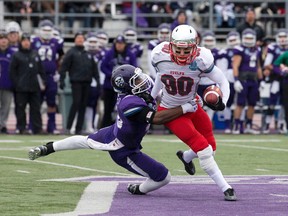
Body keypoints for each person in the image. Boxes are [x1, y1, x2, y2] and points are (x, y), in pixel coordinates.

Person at [28, 64, 198, 195]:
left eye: (139, 78)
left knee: (83, 140)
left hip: (113, 131)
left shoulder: (136, 94)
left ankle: (48, 148)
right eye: (136, 81)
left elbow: (159, 95)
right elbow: (157, 119)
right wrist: (185, 107)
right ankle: (138, 189)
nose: (142, 81)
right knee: (163, 177)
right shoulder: (129, 103)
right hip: (123, 150)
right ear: (126, 86)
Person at [150, 24, 236, 201]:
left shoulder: (202, 58)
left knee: (211, 148)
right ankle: (226, 188)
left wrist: (223, 103)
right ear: (171, 45)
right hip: (171, 110)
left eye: (186, 50)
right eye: (178, 50)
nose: (182, 54)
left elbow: (223, 81)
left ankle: (186, 157)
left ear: (195, 46)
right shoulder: (159, 54)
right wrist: (151, 98)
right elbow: (160, 76)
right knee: (204, 150)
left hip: (193, 104)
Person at [59, 32, 100, 135]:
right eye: (78, 38)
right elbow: (64, 67)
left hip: (87, 82)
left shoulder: (88, 54)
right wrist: (62, 80)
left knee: (83, 105)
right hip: (76, 82)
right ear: (75, 40)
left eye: (82, 38)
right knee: (76, 103)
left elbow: (94, 70)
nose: (80, 40)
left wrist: (98, 81)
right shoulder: (71, 52)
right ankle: (68, 127)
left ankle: (78, 128)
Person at [31, 19, 65, 134]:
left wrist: (56, 70)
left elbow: (61, 57)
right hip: (37, 76)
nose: (46, 32)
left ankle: (52, 126)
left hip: (51, 76)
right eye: (44, 30)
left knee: (51, 102)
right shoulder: (33, 41)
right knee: (36, 103)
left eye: (49, 30)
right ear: (40, 30)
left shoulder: (56, 42)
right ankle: (34, 126)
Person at [9, 33, 46, 134]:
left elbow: (41, 70)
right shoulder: (16, 55)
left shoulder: (35, 54)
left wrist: (43, 81)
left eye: (27, 41)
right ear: (21, 42)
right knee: (20, 108)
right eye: (24, 41)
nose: (26, 43)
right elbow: (12, 72)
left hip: (34, 86)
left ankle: (37, 128)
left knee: (36, 108)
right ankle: (22, 128)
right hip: (21, 87)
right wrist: (17, 84)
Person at [100, 34, 137, 128]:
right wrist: (112, 75)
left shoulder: (130, 54)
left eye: (121, 43)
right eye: (117, 43)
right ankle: (105, 127)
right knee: (108, 109)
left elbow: (135, 68)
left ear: (125, 44)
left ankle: (126, 127)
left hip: (126, 88)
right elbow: (102, 66)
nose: (119, 45)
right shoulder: (109, 53)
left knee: (125, 108)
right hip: (110, 86)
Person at [232, 28, 263, 135]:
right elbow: (235, 66)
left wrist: (261, 80)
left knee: (252, 104)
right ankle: (236, 125)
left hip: (253, 80)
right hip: (243, 79)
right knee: (240, 103)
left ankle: (248, 125)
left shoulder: (257, 49)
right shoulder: (239, 49)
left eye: (251, 38)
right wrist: (236, 80)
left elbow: (258, 66)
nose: (249, 40)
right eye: (247, 38)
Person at [262, 29, 288, 134]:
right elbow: (267, 64)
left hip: (286, 79)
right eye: (280, 37)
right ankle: (268, 124)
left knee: (284, 103)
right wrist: (280, 70)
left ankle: (281, 124)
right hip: (276, 78)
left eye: (284, 37)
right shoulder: (273, 48)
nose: (282, 39)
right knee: (272, 101)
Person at [217, 31, 241, 133]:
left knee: (240, 103)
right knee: (228, 102)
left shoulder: (242, 50)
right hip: (229, 80)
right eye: (231, 40)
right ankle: (227, 124)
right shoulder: (224, 52)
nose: (233, 42)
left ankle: (239, 125)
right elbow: (221, 68)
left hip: (241, 78)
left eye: (235, 40)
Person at [0, 30, 14, 134]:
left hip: (8, 84)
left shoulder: (13, 53)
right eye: (1, 38)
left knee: (6, 107)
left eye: (5, 38)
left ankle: (3, 125)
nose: (3, 41)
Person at [273, 51, 288, 135]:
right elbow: (275, 65)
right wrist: (282, 72)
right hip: (286, 82)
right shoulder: (286, 54)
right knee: (286, 105)